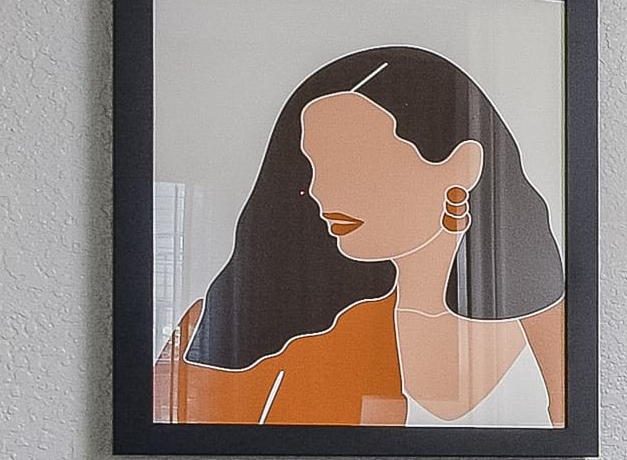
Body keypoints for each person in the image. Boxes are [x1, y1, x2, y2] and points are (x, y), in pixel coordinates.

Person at [159, 46, 568, 428]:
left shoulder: (559, 327)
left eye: (356, 163)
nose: (319, 190)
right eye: (313, 165)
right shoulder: (290, 330)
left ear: (462, 166)